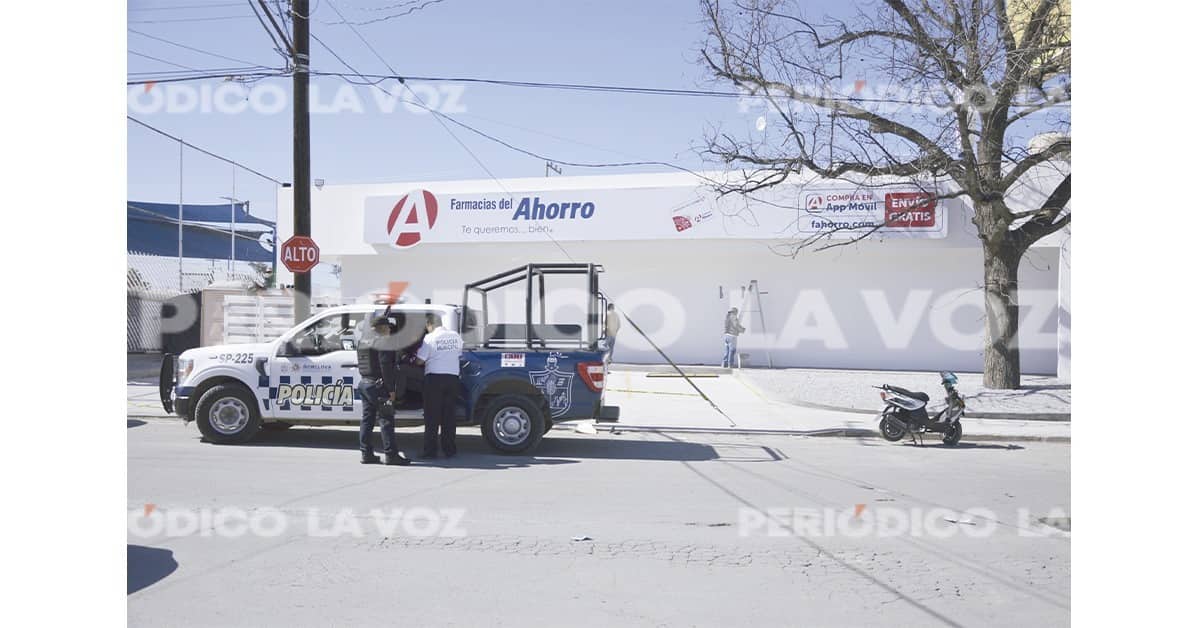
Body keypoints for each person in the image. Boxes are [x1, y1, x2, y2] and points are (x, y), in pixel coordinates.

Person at [356, 316, 411, 466]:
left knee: (367, 420)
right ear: (384, 328)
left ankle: (366, 453)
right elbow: (385, 367)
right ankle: (391, 455)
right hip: (379, 386)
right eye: (388, 327)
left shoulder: (363, 342)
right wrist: (391, 389)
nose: (390, 330)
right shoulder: (384, 342)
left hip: (365, 383)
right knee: (386, 420)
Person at [414, 313, 464, 459]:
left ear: (430, 324)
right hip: (452, 379)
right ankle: (449, 450)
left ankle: (430, 451)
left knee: (432, 417)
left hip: (434, 379)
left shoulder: (429, 338)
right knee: (449, 416)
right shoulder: (455, 336)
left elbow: (420, 361)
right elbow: (459, 354)